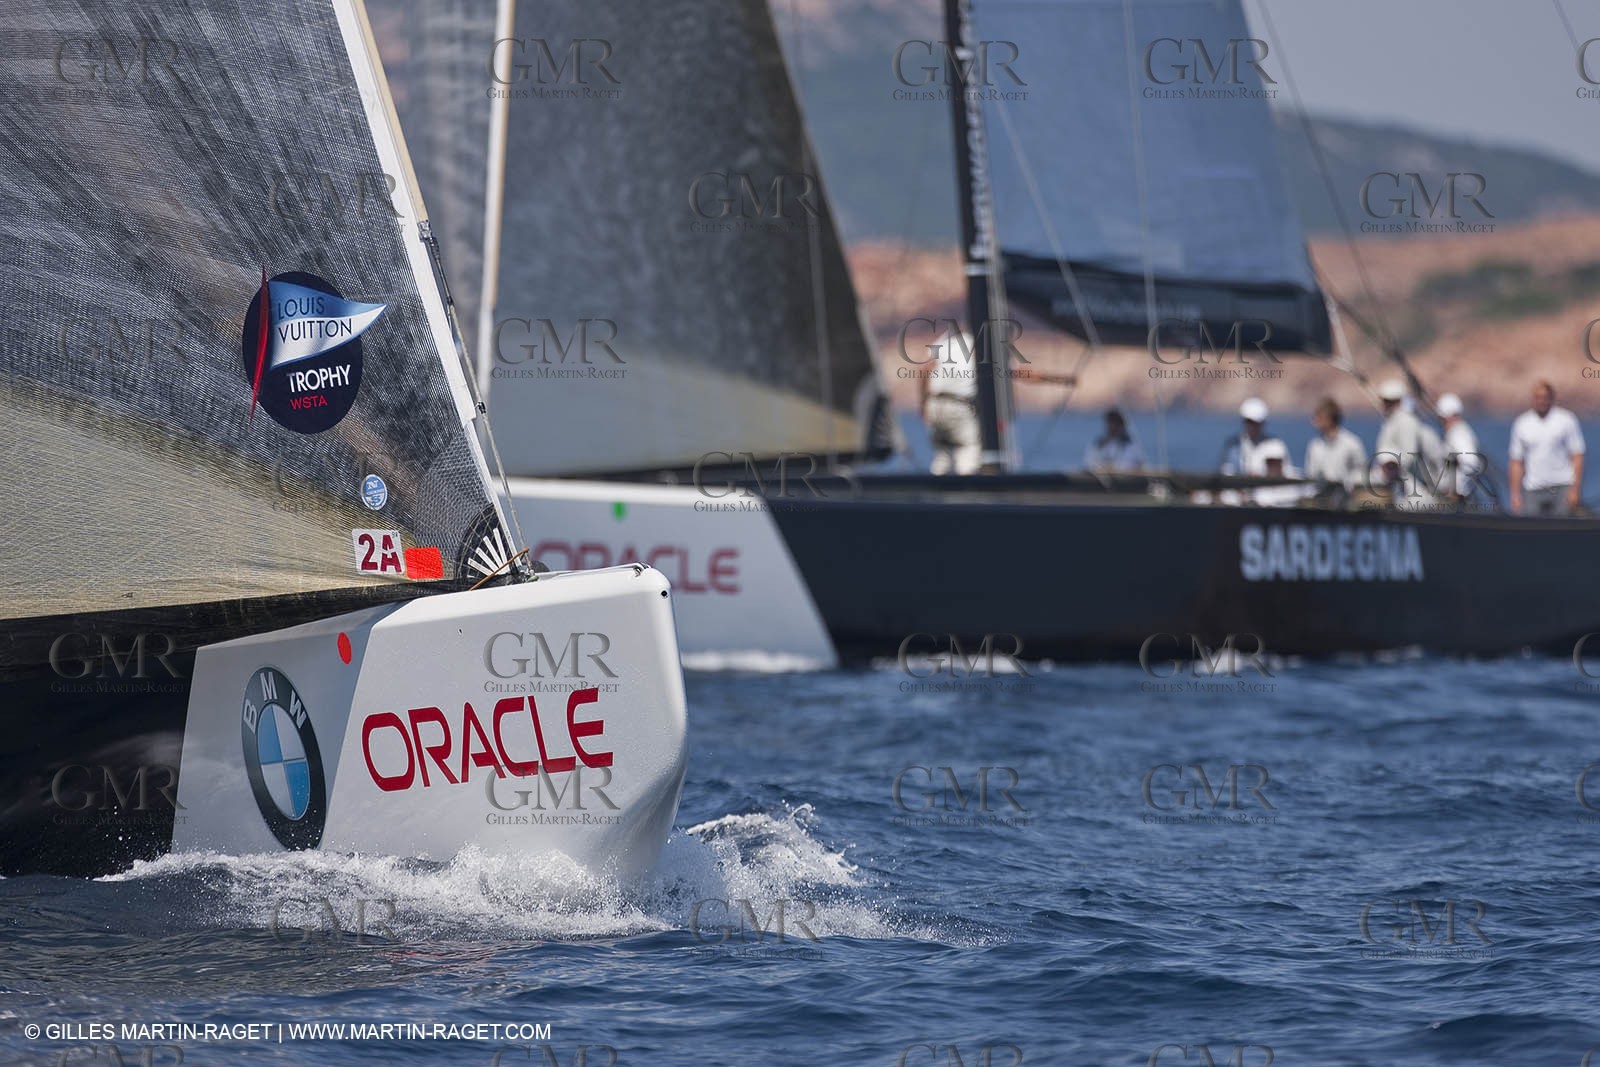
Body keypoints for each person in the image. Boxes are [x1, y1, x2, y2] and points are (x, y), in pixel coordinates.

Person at [1509, 380, 1585, 516]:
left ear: (1552, 398)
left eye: (1545, 397)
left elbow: (1577, 455)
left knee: (1562, 530)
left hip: (1562, 486)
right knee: (1530, 531)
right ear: (1532, 399)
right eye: (1538, 397)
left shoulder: (1566, 420)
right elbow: (1516, 461)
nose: (1541, 401)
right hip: (1533, 487)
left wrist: (1575, 489)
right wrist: (1515, 495)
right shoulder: (1522, 423)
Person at [1372, 379, 1446, 506]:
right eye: (1385, 401)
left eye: (1389, 401)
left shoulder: (1406, 421)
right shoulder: (1392, 420)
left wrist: (1390, 469)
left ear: (1398, 401)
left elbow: (1408, 457)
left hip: (1411, 486)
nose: (1385, 404)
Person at [920, 329, 980, 475]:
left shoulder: (946, 341)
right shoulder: (983, 345)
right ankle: (969, 490)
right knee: (968, 450)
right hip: (958, 405)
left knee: (942, 454)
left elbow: (925, 369)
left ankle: (936, 487)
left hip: (934, 404)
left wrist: (924, 405)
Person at [1303, 397, 1367, 490]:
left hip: (1345, 497)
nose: (1314, 421)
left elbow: (1362, 472)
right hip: (1321, 498)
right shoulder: (1314, 446)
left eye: (1318, 417)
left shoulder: (1351, 443)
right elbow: (1310, 474)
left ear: (1330, 418)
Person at [1436, 393, 1483, 503]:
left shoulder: (1458, 434)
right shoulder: (1457, 432)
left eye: (1442, 419)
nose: (1441, 422)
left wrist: (1457, 491)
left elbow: (1470, 463)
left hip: (1456, 498)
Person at [1219, 398, 1282, 476]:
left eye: (1256, 423)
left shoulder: (1274, 445)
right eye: (1249, 421)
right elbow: (1227, 471)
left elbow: (1277, 474)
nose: (1252, 426)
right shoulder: (1234, 445)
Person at [1250, 438, 1314, 506]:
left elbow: (1311, 496)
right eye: (1270, 461)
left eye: (1277, 461)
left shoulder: (1297, 480)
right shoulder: (1259, 487)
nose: (1273, 465)